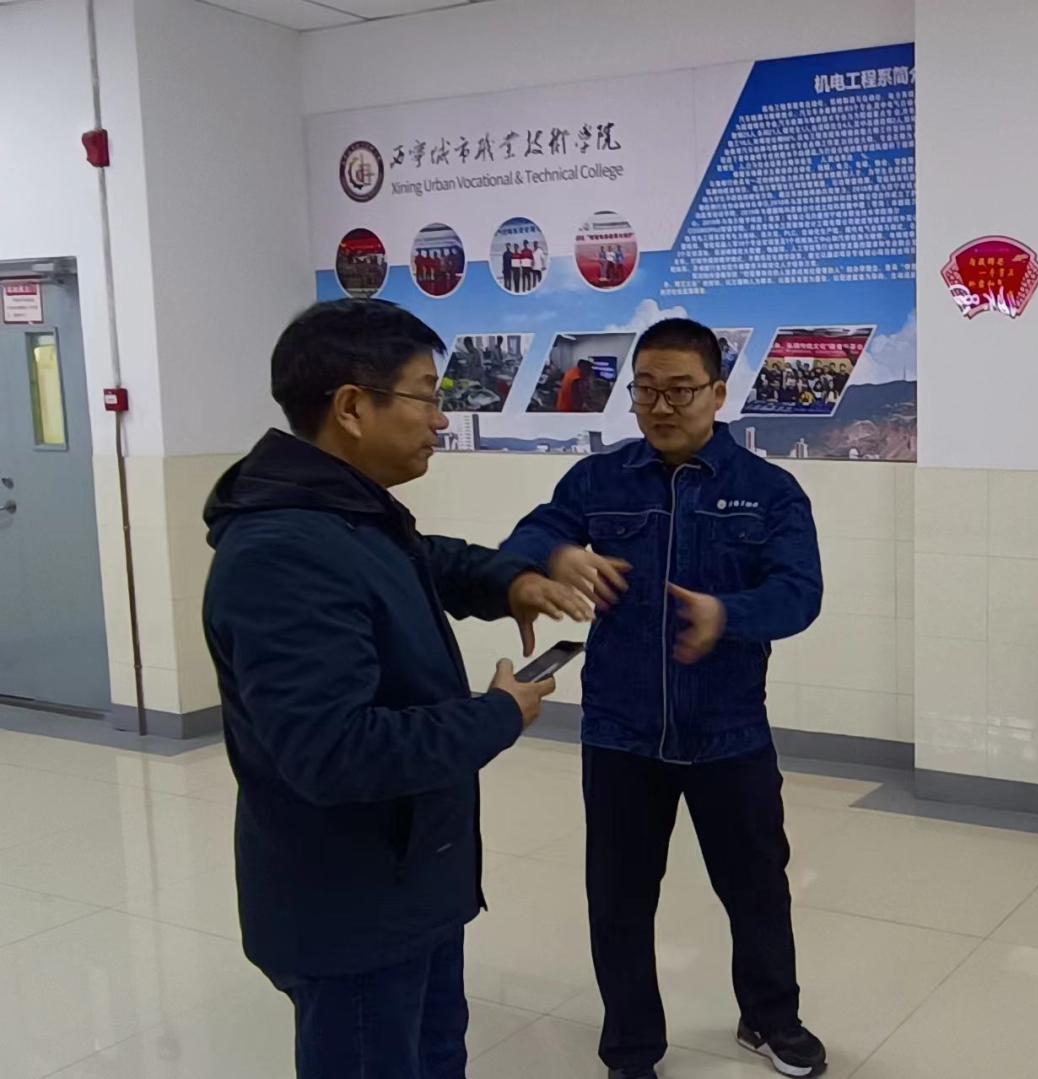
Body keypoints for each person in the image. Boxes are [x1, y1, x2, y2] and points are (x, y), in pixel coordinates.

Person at [201, 299, 596, 1078]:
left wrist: (509, 580)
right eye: (425, 396)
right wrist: (496, 714)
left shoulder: (344, 512)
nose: (441, 419)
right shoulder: (284, 551)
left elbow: (423, 559)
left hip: (409, 882)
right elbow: (335, 752)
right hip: (352, 910)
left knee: (433, 1052)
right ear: (352, 407)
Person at [502, 317, 828, 1079]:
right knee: (618, 897)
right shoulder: (599, 481)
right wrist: (555, 554)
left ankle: (770, 1017)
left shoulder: (769, 492)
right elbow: (528, 536)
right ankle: (630, 1048)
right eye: (645, 389)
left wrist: (729, 613)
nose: (660, 406)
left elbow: (800, 593)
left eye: (680, 390)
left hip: (729, 730)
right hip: (620, 730)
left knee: (756, 886)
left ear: (717, 392)